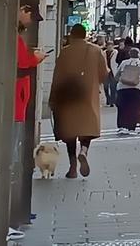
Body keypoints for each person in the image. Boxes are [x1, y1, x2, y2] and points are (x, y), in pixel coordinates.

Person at [49, 23, 108, 179]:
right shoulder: (96, 51)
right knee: (86, 127)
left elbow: (57, 77)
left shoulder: (65, 53)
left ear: (72, 35)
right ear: (85, 35)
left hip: (67, 98)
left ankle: (72, 166)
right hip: (88, 96)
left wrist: (52, 99)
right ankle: (84, 150)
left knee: (70, 132)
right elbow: (104, 74)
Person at [11, 4, 47, 240]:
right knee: (12, 158)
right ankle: (12, 217)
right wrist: (36, 59)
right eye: (31, 16)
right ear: (23, 10)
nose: (30, 21)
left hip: (19, 104)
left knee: (15, 157)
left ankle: (16, 215)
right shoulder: (13, 37)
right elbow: (21, 65)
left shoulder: (16, 37)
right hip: (15, 105)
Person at [113, 48, 140, 135]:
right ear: (139, 55)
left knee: (122, 108)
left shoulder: (124, 62)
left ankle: (122, 126)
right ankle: (133, 127)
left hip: (122, 88)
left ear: (129, 54)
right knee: (135, 108)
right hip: (136, 88)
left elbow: (117, 75)